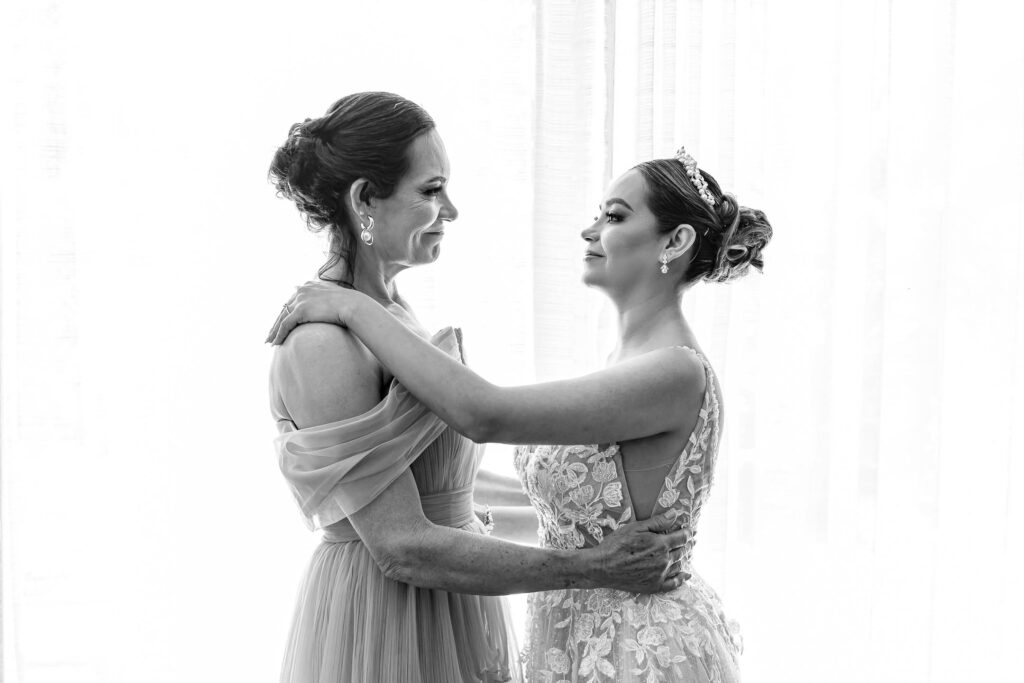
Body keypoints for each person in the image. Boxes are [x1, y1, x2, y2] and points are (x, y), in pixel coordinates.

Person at [268, 142, 772, 682]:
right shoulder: (629, 362)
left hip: (635, 647)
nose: (589, 230)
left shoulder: (672, 372)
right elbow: (559, 513)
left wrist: (350, 305)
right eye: (598, 214)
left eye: (615, 216)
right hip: (576, 636)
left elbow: (487, 414)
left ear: (675, 240)